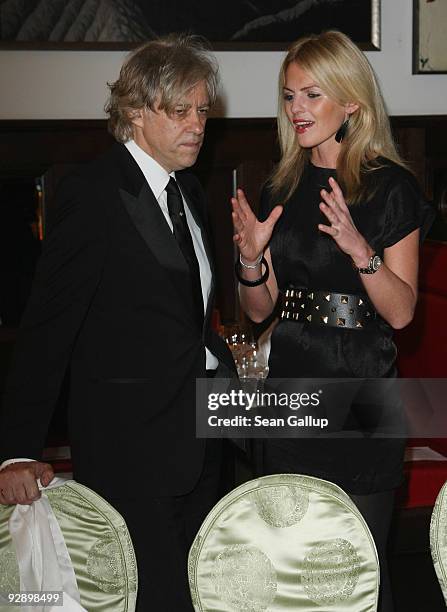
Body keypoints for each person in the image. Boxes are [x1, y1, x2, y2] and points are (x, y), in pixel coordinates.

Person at [0, 34, 235, 611]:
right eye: (180, 111)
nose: (198, 125)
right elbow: (47, 328)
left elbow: (188, 320)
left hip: (202, 441)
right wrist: (14, 450)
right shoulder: (94, 193)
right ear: (135, 111)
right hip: (131, 450)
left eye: (202, 110)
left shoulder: (190, 193)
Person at [231, 31, 434, 612]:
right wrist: (249, 258)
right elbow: (261, 310)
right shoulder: (281, 184)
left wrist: (358, 247)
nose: (296, 109)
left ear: (351, 102)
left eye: (311, 95)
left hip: (363, 399)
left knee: (360, 575)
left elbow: (400, 312)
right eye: (289, 96)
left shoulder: (390, 187)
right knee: (293, 574)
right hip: (291, 396)